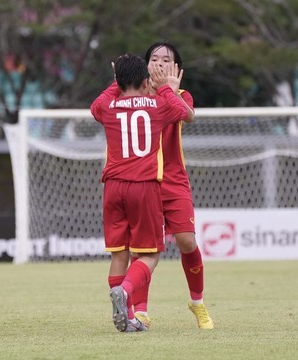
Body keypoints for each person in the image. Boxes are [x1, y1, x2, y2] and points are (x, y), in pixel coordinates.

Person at [90, 54, 189, 332]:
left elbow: (95, 106)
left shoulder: (108, 105)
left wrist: (116, 83)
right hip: (143, 186)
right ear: (147, 81)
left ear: (118, 81)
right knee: (149, 255)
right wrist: (167, 85)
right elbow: (182, 112)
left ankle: (129, 318)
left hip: (112, 187)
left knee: (119, 255)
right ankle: (125, 293)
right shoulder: (158, 104)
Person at [129, 41, 214, 330]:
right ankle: (140, 311)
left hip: (174, 182)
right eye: (154, 58)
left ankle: (197, 303)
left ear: (177, 68)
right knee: (141, 249)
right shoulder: (135, 94)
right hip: (142, 181)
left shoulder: (180, 95)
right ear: (145, 64)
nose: (160, 64)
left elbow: (187, 116)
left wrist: (166, 87)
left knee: (187, 241)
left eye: (167, 60)